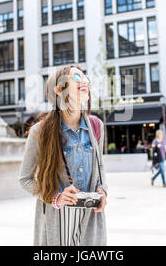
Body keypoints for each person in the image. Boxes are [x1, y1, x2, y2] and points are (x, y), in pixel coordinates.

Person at [19, 65, 108, 246]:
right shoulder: (40, 131)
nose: (84, 81)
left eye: (85, 78)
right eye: (76, 77)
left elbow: (100, 168)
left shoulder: (96, 126)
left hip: (91, 219)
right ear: (59, 90)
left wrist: (103, 189)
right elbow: (24, 179)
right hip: (57, 221)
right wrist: (55, 196)